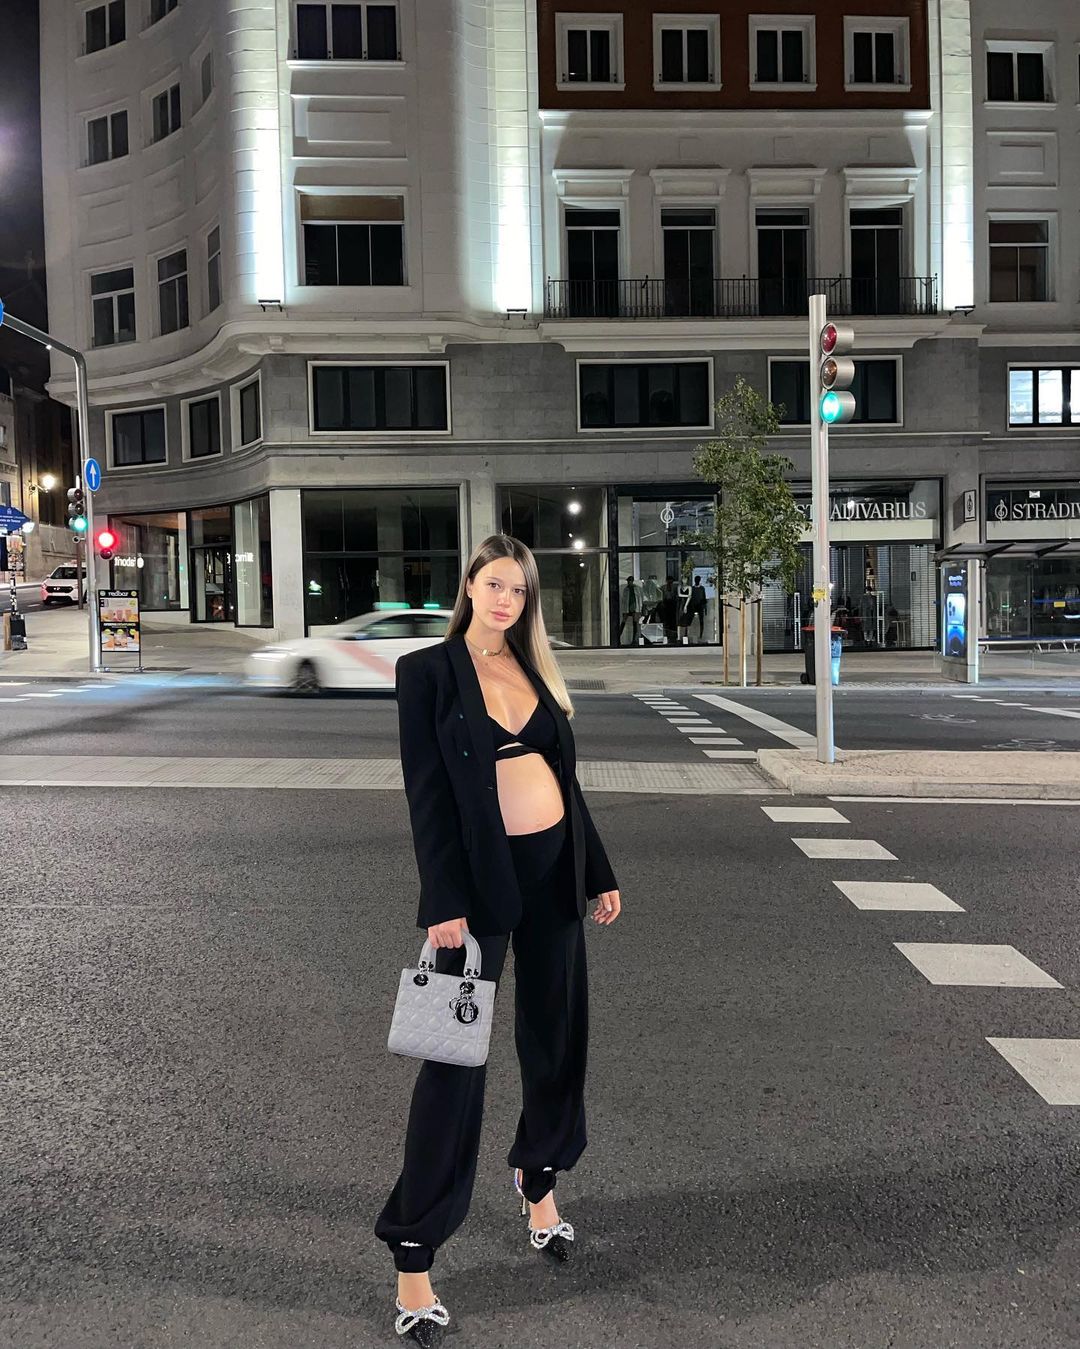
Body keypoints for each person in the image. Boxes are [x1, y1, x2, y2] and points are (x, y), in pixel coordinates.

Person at [375, 533, 622, 1346]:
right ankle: (415, 1255)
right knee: (455, 1065)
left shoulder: (534, 668)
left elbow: (566, 783)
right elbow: (426, 794)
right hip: (476, 890)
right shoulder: (428, 671)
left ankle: (537, 1178)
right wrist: (441, 901)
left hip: (555, 877)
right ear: (470, 586)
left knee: (557, 1037)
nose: (506, 599)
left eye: (519, 588)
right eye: (494, 584)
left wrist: (597, 872)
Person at [618, 574, 641, 645]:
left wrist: (640, 609)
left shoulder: (636, 588)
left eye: (630, 581)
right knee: (623, 622)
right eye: (628, 581)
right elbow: (623, 600)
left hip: (634, 607)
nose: (629, 582)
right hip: (627, 607)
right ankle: (617, 638)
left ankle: (634, 640)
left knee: (635, 623)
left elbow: (639, 599)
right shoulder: (626, 589)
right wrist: (623, 610)